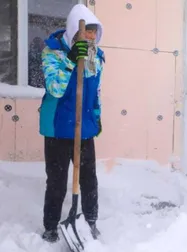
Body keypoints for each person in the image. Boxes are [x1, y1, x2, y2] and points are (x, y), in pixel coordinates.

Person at [39, 4, 105, 243]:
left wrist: (95, 117)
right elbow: (55, 89)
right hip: (58, 128)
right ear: (73, 30)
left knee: (89, 179)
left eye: (93, 31)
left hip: (83, 128)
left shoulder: (95, 56)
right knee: (56, 181)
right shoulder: (52, 52)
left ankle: (90, 222)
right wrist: (69, 61)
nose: (90, 36)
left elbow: (93, 92)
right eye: (86, 30)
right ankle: (50, 226)